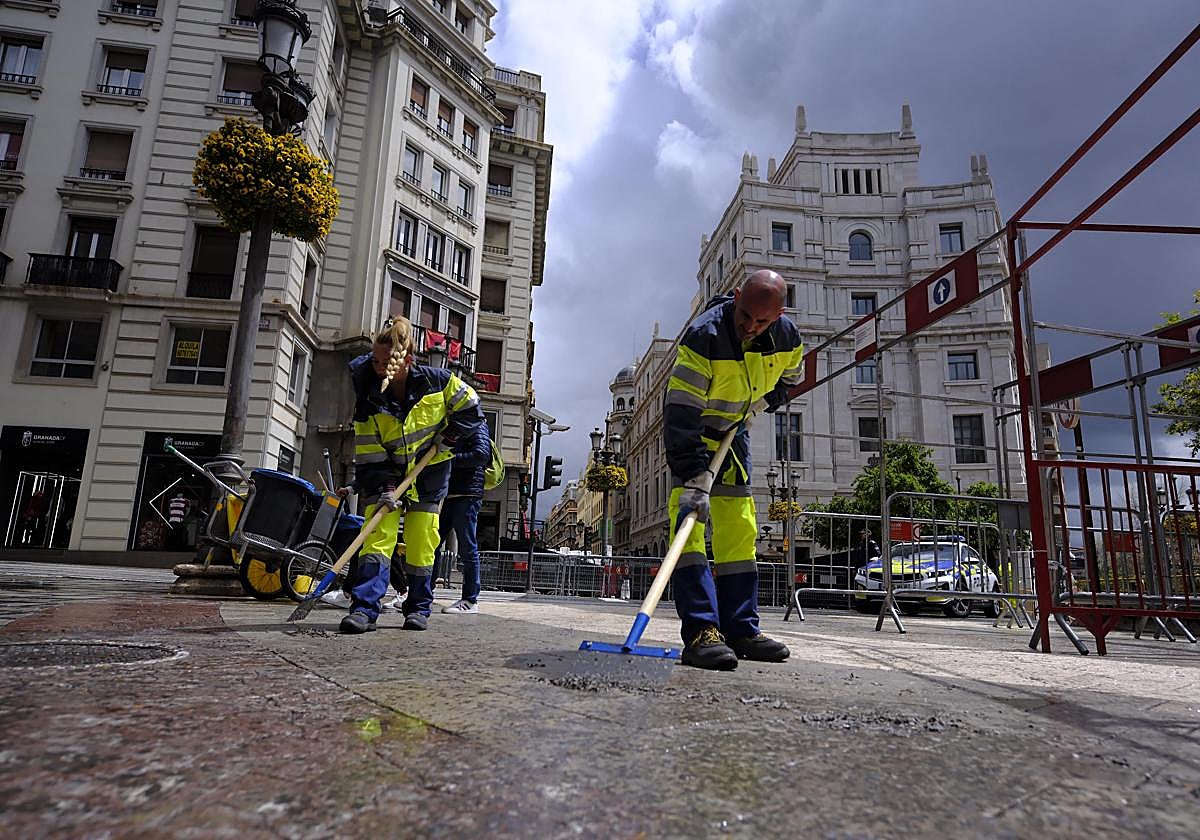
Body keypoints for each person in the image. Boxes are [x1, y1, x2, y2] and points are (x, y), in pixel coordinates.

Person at [664, 269, 805, 670]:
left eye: (761, 321)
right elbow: (680, 411)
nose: (750, 327)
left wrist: (764, 403)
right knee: (690, 531)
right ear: (737, 296)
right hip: (695, 435)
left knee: (740, 531)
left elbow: (792, 378)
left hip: (733, 438)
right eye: (745, 316)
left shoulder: (787, 338)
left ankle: (741, 629)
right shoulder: (704, 337)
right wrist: (694, 475)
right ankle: (701, 632)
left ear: (777, 317)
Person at [336, 314, 486, 634]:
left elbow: (472, 406)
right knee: (377, 538)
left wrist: (449, 437)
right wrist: (386, 485)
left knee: (421, 540)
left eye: (384, 362)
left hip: (429, 470)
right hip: (382, 471)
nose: (378, 367)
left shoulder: (439, 382)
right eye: (374, 361)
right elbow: (368, 444)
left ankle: (418, 608)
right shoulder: (368, 392)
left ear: (406, 360)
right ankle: (364, 609)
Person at [431, 418, 492, 615]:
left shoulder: (476, 423)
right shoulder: (453, 424)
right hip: (449, 494)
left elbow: (481, 455)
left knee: (467, 548)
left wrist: (448, 458)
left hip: (467, 495)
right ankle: (423, 593)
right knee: (431, 544)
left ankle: (470, 600)